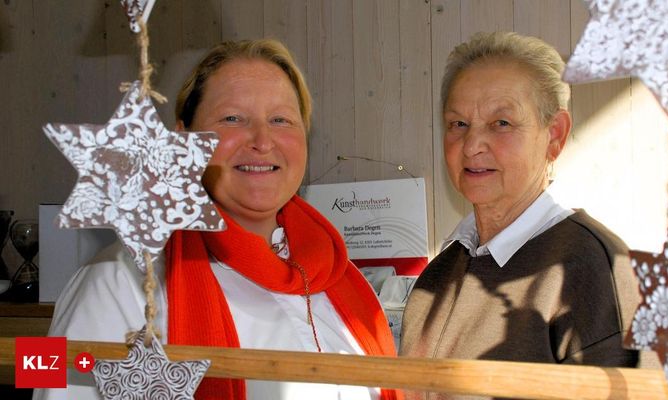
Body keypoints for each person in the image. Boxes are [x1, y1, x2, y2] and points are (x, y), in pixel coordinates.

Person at [35, 39, 399, 400]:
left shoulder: (341, 276)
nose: (262, 141)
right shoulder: (117, 280)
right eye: (232, 118)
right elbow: (48, 378)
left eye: (281, 120)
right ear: (183, 140)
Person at [400, 31, 640, 380]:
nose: (472, 145)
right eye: (459, 124)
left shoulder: (596, 270)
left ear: (554, 135)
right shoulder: (436, 277)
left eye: (501, 123)